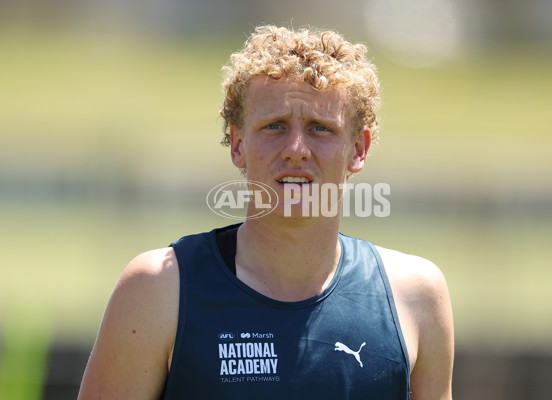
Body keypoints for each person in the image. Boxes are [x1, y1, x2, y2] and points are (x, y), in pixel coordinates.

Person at [78, 25, 454, 399]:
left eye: (319, 128)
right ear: (238, 143)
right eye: (274, 126)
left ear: (359, 148)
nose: (295, 148)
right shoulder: (158, 289)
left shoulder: (416, 296)